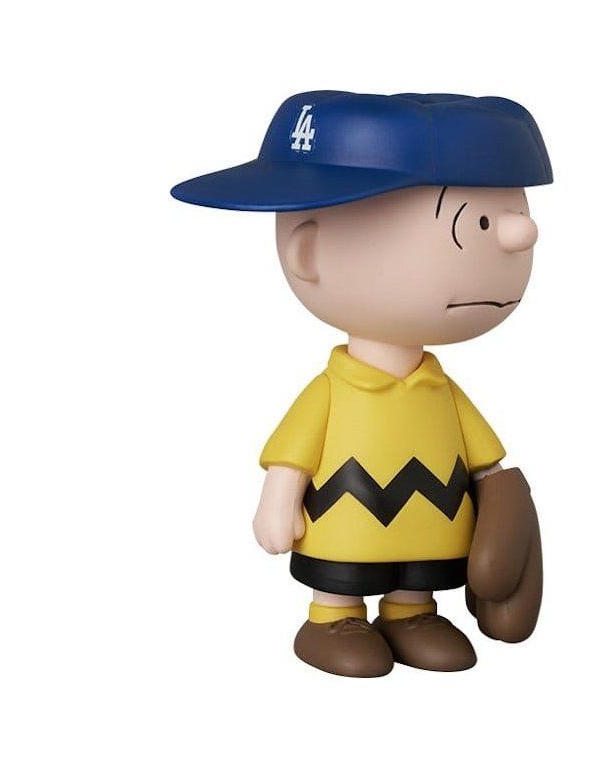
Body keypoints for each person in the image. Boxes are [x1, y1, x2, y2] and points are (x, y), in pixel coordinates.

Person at [172, 91, 550, 676]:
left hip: (432, 531)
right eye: (475, 223)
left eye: (508, 215)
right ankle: (332, 617)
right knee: (341, 575)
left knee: (419, 576)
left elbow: (488, 466)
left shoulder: (442, 392)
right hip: (344, 530)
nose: (516, 237)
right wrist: (279, 499)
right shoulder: (332, 392)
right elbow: (292, 454)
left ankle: (412, 613)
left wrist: (503, 513)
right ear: (307, 251)